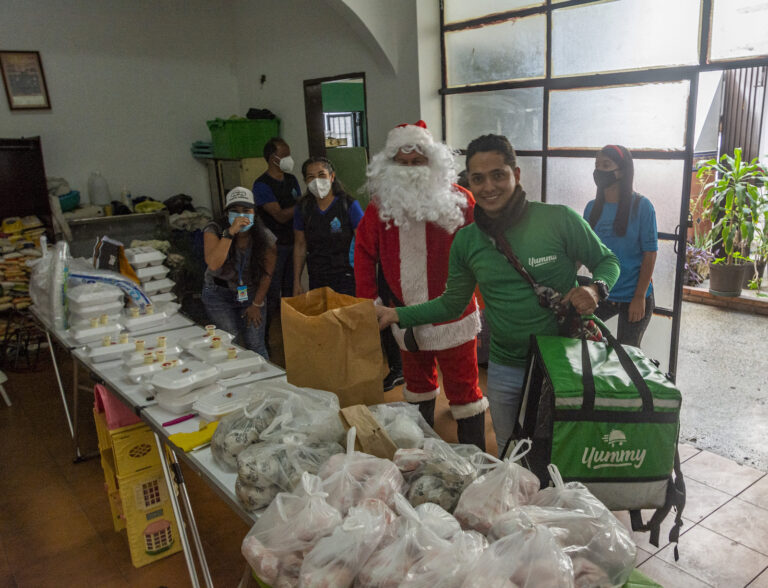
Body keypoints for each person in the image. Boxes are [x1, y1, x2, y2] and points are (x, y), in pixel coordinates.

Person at [377, 134, 620, 456]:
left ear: (515, 175)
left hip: (562, 361)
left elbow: (608, 260)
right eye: (478, 178)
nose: (488, 187)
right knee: (511, 450)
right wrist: (398, 315)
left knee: (563, 449)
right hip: (506, 365)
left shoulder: (558, 219)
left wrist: (595, 287)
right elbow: (453, 303)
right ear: (470, 183)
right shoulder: (467, 241)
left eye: (498, 175)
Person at [355, 120, 487, 449]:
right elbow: (363, 251)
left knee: (465, 391)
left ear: (434, 163)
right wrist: (368, 300)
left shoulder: (462, 201)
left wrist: (487, 299)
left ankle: (478, 459)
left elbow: (484, 253)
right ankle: (421, 455)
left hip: (453, 317)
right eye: (403, 163)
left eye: (418, 162)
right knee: (417, 387)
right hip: (403, 316)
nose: (411, 170)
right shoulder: (379, 207)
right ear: (390, 165)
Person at [584, 144, 658, 347]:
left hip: (634, 295)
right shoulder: (592, 208)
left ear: (622, 171)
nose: (599, 170)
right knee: (585, 343)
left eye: (606, 165)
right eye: (597, 165)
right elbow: (582, 250)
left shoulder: (642, 206)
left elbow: (650, 254)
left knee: (628, 354)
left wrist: (639, 296)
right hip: (601, 292)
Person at [202, 187, 277, 359]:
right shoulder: (214, 229)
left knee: (255, 343)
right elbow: (214, 263)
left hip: (251, 293)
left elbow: (267, 274)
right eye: (234, 211)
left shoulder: (265, 237)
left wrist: (257, 304)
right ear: (226, 213)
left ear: (254, 212)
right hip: (218, 293)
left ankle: (264, 382)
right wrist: (229, 234)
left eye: (246, 211)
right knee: (230, 342)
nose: (241, 216)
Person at [293, 157, 364, 296]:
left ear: (332, 176)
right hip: (317, 277)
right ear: (306, 182)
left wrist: (365, 279)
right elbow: (300, 245)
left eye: (321, 175)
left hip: (346, 276)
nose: (317, 181)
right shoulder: (303, 208)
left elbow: (364, 242)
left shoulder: (348, 205)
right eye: (311, 177)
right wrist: (297, 281)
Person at [253, 137, 301, 334]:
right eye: (284, 155)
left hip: (294, 243)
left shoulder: (291, 180)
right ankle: (265, 334)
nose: (289, 159)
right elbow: (280, 216)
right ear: (272, 158)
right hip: (273, 247)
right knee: (271, 293)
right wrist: (303, 204)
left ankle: (292, 332)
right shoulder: (262, 185)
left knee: (292, 292)